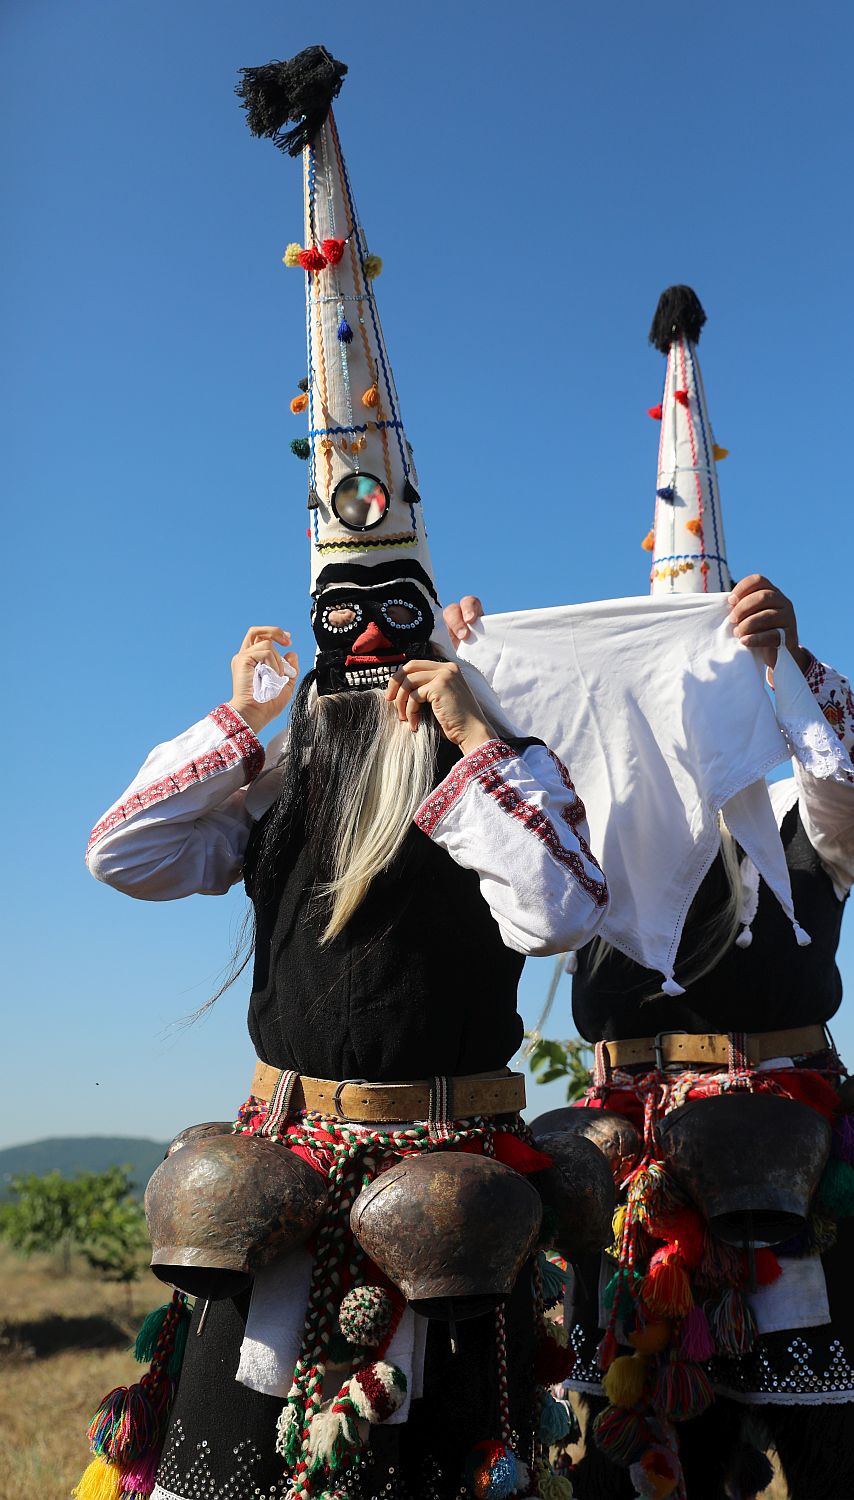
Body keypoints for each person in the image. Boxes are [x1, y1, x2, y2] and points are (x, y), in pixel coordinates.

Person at [74, 49, 607, 1500]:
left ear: (437, 621)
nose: (367, 644)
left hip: (461, 1174)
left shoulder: (506, 765)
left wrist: (483, 746)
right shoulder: (281, 758)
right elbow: (119, 857)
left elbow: (563, 916)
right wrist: (239, 721)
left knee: (453, 1457)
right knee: (237, 1457)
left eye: (395, 620)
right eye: (340, 624)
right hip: (289, 1152)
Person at [443, 290, 854, 1499]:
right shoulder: (577, 844)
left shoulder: (800, 820)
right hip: (635, 1175)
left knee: (852, 1458)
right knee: (645, 1459)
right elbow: (507, 858)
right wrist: (478, 689)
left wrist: (789, 658)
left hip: (795, 1160)